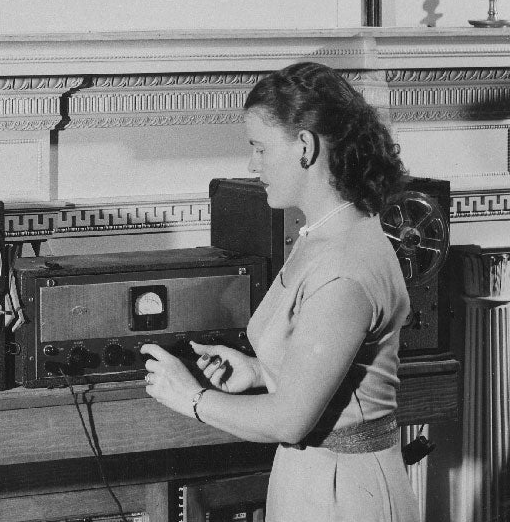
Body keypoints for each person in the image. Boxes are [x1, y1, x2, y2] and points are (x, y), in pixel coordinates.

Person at [140, 61, 420, 522]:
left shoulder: (343, 269)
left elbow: (291, 419)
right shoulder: (325, 232)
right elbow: (325, 370)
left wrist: (190, 397)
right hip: (314, 477)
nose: (252, 164)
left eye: (260, 148)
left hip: (343, 493)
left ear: (305, 147)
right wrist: (256, 370)